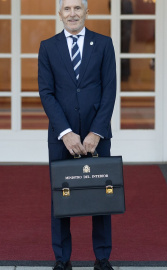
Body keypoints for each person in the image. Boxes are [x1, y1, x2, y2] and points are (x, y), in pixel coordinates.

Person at [38, 0, 117, 270]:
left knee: (102, 195)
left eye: (78, 8)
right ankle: (62, 259)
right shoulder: (48, 47)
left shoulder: (104, 44)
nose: (73, 14)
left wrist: (96, 132)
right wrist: (66, 133)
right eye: (67, 9)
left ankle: (102, 258)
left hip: (97, 135)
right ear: (60, 14)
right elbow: (46, 93)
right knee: (62, 196)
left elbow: (109, 91)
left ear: (86, 12)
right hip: (62, 136)